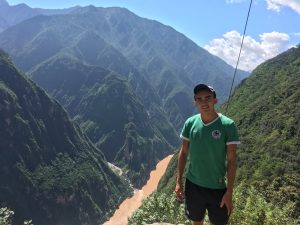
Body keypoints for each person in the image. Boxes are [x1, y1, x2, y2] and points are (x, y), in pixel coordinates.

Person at [175, 84, 240, 225]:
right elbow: (184, 152)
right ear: (195, 102)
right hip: (193, 185)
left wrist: (229, 192)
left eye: (208, 98)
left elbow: (232, 161)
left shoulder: (228, 125)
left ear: (215, 100)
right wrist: (178, 181)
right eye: (199, 99)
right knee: (196, 221)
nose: (204, 103)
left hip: (218, 188)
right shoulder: (190, 123)